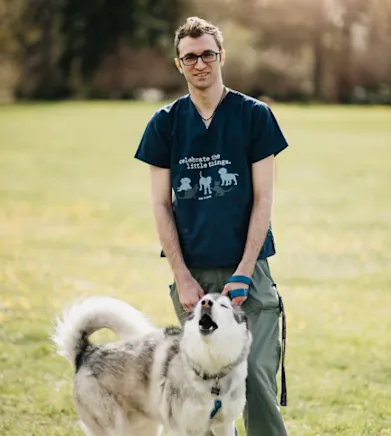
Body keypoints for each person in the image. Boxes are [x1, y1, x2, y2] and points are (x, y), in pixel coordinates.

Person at [134, 16, 289, 436]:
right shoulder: (164, 124)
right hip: (194, 278)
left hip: (248, 272)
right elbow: (160, 205)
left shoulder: (255, 116)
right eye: (190, 57)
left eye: (207, 54)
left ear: (221, 57)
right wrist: (180, 276)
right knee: (200, 392)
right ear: (179, 64)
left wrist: (243, 269)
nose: (200, 63)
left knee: (254, 379)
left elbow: (264, 200)